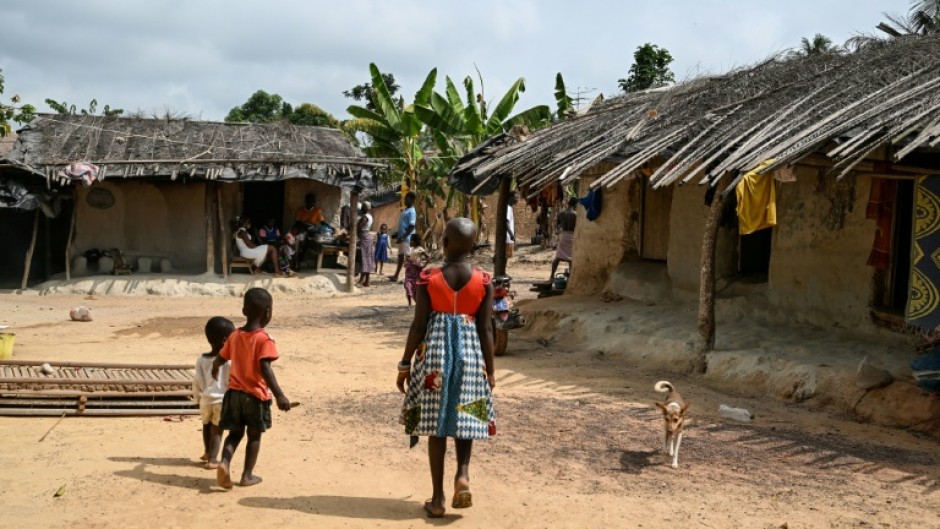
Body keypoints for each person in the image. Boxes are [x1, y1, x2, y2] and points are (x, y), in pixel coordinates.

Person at [397, 218, 496, 518]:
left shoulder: (428, 277)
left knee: (436, 427)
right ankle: (462, 474)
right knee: (464, 415)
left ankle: (438, 499)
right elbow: (486, 329)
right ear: (472, 246)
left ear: (445, 242)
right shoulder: (483, 280)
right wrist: (490, 371)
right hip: (470, 357)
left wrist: (404, 363)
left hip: (435, 358)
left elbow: (418, 326)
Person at [212, 288, 291, 489]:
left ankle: (225, 462)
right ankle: (246, 475)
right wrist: (280, 395)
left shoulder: (235, 335)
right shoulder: (264, 339)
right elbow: (265, 368)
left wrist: (215, 368)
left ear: (243, 311)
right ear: (268, 312)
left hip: (234, 395)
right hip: (255, 397)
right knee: (254, 436)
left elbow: (221, 357)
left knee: (235, 434)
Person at [193, 316, 235, 470]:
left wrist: (197, 398)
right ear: (225, 341)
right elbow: (232, 380)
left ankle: (206, 451)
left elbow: (196, 381)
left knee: (206, 425)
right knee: (217, 430)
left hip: (205, 399)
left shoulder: (201, 359)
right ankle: (213, 459)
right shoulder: (229, 361)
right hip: (221, 400)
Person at [550, 197, 578, 281]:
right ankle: (571, 279)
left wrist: (560, 232)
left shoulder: (561, 213)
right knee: (571, 258)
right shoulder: (576, 214)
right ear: (575, 205)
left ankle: (551, 276)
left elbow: (558, 226)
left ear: (568, 203)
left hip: (563, 235)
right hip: (572, 236)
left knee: (558, 257)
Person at [392, 192, 417, 282]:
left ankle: (409, 277)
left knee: (408, 258)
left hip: (407, 238)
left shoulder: (412, 212)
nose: (405, 200)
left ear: (412, 200)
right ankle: (396, 276)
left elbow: (412, 226)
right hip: (403, 237)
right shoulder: (406, 210)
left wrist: (403, 237)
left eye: (407, 198)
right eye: (405, 198)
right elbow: (403, 224)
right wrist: (397, 234)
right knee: (400, 257)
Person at [403, 233, 428, 307]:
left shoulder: (420, 249)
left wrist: (423, 264)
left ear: (416, 241)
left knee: (415, 288)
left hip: (416, 271)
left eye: (411, 241)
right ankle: (409, 303)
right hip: (409, 271)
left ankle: (417, 303)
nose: (410, 242)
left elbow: (427, 256)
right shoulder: (411, 249)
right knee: (407, 285)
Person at [356, 202, 375, 287]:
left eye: (362, 208)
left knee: (364, 259)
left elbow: (359, 227)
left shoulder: (364, 217)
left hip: (364, 238)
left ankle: (362, 280)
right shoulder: (370, 216)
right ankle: (366, 281)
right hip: (367, 237)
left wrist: (355, 229)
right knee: (368, 259)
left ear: (364, 208)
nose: (361, 209)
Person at [505, 192, 518, 259]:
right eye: (515, 197)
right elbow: (506, 223)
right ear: (510, 198)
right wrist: (511, 235)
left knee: (508, 257)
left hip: (509, 238)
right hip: (507, 239)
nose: (517, 199)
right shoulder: (507, 208)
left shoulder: (510, 208)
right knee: (507, 257)